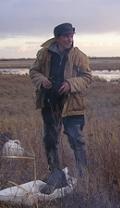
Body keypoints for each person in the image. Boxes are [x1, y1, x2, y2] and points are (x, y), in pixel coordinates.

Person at [29, 23, 92, 194]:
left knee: (76, 140)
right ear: (57, 38)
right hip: (49, 103)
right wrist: (42, 80)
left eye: (71, 35)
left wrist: (70, 84)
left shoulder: (79, 56)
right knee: (50, 140)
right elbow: (34, 71)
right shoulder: (44, 53)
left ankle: (83, 177)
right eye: (65, 36)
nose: (69, 39)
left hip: (73, 105)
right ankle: (56, 174)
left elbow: (87, 78)